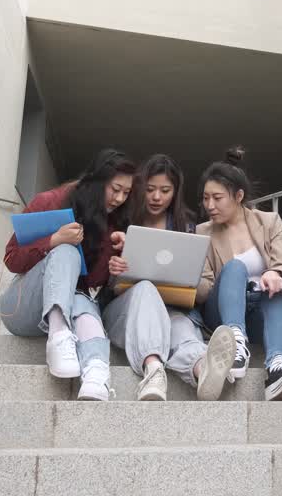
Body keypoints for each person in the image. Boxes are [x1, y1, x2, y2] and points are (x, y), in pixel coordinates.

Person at [0, 149, 133, 401]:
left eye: (126, 193)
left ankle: (96, 371)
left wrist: (117, 255)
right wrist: (53, 240)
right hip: (21, 308)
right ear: (96, 180)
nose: (119, 198)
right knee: (66, 252)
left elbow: (94, 284)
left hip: (74, 304)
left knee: (82, 299)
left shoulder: (113, 222)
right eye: (115, 189)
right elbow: (11, 259)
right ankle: (59, 337)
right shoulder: (50, 201)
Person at [106, 154, 236, 401]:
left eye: (165, 190)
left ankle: (202, 369)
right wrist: (116, 270)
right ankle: (153, 369)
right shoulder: (120, 220)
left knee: (180, 328)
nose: (157, 197)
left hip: (175, 310)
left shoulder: (186, 226)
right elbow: (105, 284)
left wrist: (186, 279)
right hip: (127, 309)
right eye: (150, 189)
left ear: (175, 192)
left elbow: (206, 287)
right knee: (145, 288)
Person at [196, 146, 282, 401]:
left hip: (260, 310)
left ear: (238, 195)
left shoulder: (269, 222)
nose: (209, 205)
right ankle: (234, 344)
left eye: (217, 198)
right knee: (235, 268)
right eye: (206, 198)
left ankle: (277, 366)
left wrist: (275, 274)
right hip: (221, 312)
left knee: (276, 288)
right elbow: (204, 290)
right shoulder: (202, 232)